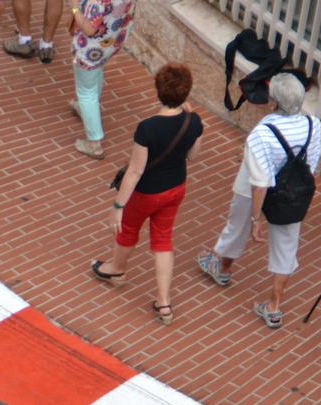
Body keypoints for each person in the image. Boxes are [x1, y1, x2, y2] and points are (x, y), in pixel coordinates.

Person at [196, 73, 321, 329]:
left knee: (238, 223)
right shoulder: (314, 125)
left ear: (273, 100)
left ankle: (223, 268)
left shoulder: (261, 133)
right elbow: (313, 162)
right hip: (292, 190)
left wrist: (256, 219)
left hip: (255, 184)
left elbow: (260, 182)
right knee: (286, 244)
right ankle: (274, 307)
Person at [90, 63, 203, 325]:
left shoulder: (147, 128)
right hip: (176, 188)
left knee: (128, 228)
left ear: (158, 90)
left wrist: (118, 205)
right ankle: (164, 302)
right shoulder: (194, 121)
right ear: (186, 92)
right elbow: (192, 156)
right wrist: (191, 116)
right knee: (163, 240)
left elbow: (135, 171)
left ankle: (116, 270)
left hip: (146, 193)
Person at [67, 0, 135, 159]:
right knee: (96, 74)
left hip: (90, 49)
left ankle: (94, 144)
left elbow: (90, 28)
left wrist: (75, 7)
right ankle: (83, 107)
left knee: (85, 92)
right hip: (110, 42)